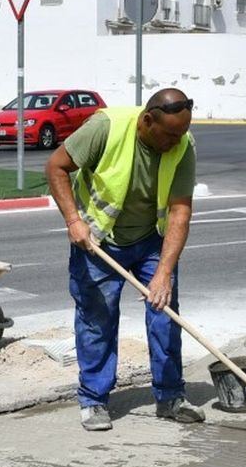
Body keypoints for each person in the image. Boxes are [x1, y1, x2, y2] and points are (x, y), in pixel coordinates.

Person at [46, 88, 204, 432]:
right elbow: (56, 167)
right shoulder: (106, 127)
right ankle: (94, 400)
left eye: (181, 134)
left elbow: (179, 211)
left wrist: (163, 273)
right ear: (147, 121)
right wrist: (74, 221)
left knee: (165, 314)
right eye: (169, 135)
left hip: (151, 241)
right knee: (97, 318)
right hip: (99, 241)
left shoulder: (183, 144)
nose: (176, 141)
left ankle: (170, 396)